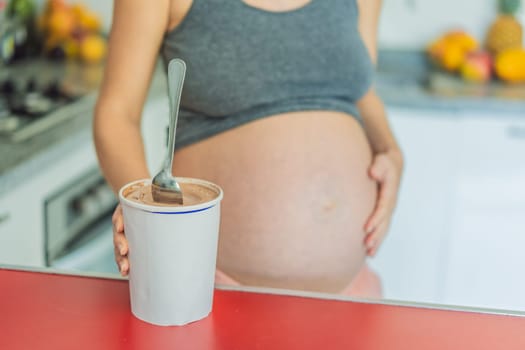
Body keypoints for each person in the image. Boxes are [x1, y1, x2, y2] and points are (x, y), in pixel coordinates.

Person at [93, 0, 403, 298]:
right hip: (206, 285)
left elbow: (362, 91)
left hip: (349, 289)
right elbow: (116, 114)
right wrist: (143, 210)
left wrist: (391, 151)